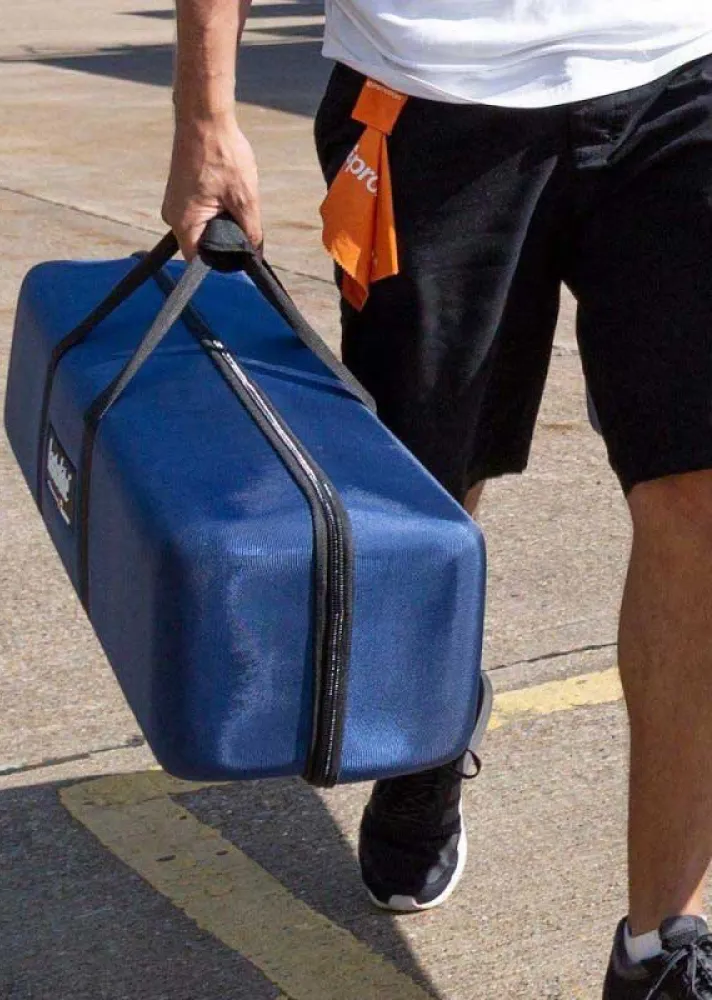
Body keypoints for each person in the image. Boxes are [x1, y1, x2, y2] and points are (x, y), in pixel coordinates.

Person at [162, 2, 712, 997]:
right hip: (425, 95)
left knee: (701, 495)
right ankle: (421, 738)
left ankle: (660, 951)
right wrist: (206, 115)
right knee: (425, 499)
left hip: (679, 73)